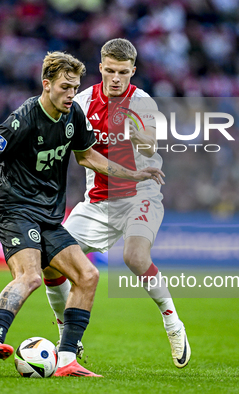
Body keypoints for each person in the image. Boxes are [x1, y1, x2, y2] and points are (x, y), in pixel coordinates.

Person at [0, 51, 164, 377]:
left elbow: (89, 157)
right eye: (65, 87)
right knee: (31, 277)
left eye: (75, 87)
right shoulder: (22, 120)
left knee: (88, 276)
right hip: (12, 209)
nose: (71, 94)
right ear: (47, 84)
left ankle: (66, 359)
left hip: (48, 215)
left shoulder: (74, 116)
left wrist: (135, 174)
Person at [42, 39, 191, 368]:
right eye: (110, 71)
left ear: (132, 71)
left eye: (123, 72)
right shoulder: (80, 101)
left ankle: (172, 322)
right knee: (49, 260)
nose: (115, 78)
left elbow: (150, 141)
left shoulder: (142, 102)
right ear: (101, 68)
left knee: (134, 256)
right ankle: (66, 333)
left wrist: (130, 130)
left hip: (142, 194)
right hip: (97, 203)